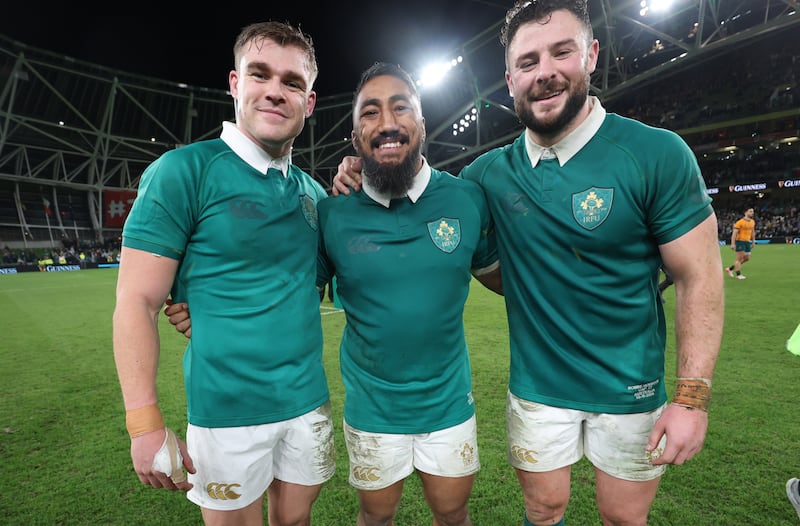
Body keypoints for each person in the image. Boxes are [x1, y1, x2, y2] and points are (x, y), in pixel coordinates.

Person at [333, 2, 724, 525]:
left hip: (633, 386)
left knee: (624, 519)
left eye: (562, 52)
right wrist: (361, 164)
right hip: (538, 389)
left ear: (591, 55)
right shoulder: (486, 176)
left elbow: (698, 275)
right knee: (543, 510)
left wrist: (692, 399)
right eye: (528, 61)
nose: (546, 71)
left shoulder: (657, 153)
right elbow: (437, 205)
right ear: (510, 77)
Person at [167, 61, 503, 526]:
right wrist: (201, 304)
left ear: (422, 124)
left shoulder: (467, 199)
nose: (386, 122)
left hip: (449, 404)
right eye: (369, 112)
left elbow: (506, 278)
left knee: (452, 513)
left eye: (400, 107)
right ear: (355, 138)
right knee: (375, 516)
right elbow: (288, 285)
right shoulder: (332, 214)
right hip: (372, 408)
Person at [112, 21, 335, 526]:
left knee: (296, 522)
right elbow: (137, 301)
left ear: (310, 101)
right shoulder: (183, 171)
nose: (275, 91)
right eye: (260, 74)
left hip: (308, 402)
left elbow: (315, 283)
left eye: (292, 82)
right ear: (236, 84)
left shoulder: (314, 195)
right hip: (226, 413)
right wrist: (144, 423)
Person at [726, 207, 755, 279]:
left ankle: (730, 269)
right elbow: (734, 233)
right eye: (750, 211)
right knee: (739, 259)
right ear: (745, 213)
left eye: (752, 211)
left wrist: (753, 241)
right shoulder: (740, 222)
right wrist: (732, 243)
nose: (752, 213)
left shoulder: (752, 222)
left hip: (747, 242)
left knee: (747, 258)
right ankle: (738, 275)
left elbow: (752, 232)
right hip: (740, 241)